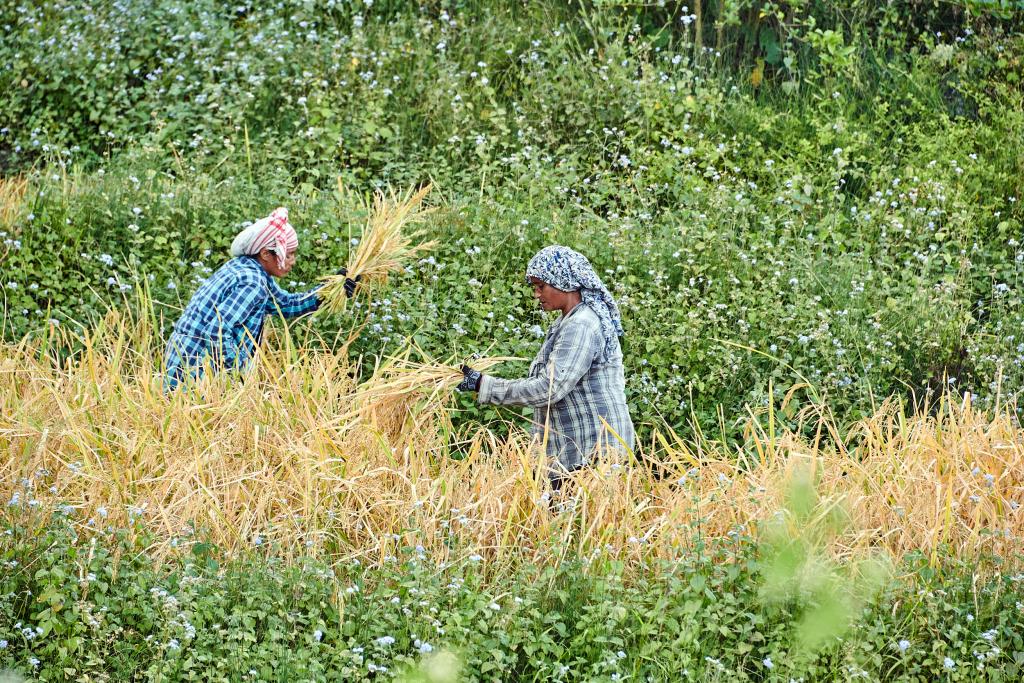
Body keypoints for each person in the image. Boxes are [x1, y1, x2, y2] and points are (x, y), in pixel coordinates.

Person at [457, 245, 634, 488]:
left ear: (563, 282)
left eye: (541, 286)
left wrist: (484, 385)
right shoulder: (569, 321)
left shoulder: (581, 325)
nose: (537, 294)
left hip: (594, 455)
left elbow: (548, 389)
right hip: (578, 450)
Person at [163, 207, 359, 390]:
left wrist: (330, 290)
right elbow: (217, 331)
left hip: (185, 359)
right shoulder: (252, 283)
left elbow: (286, 305)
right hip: (192, 371)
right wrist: (239, 372)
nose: (292, 261)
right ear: (265, 253)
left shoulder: (246, 268)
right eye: (288, 255)